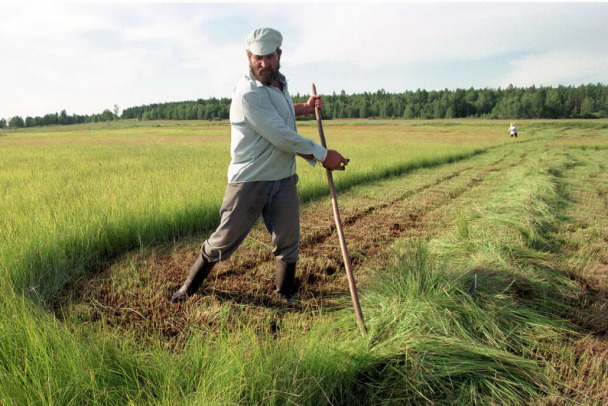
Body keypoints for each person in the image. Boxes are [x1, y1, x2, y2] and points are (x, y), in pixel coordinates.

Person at [171, 27, 349, 303]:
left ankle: (286, 292)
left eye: (269, 57)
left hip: (284, 178)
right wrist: (323, 154)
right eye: (257, 58)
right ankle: (189, 288)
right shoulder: (247, 93)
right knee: (224, 240)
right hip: (250, 180)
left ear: (279, 55)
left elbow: (281, 111)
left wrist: (303, 106)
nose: (263, 63)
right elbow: (280, 135)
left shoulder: (279, 84)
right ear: (248, 57)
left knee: (289, 239)